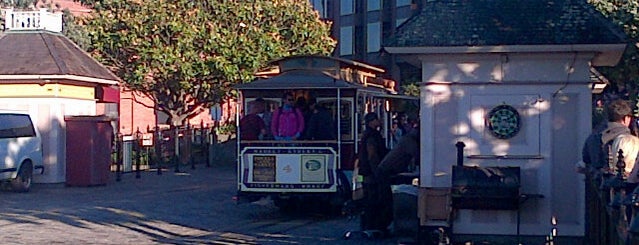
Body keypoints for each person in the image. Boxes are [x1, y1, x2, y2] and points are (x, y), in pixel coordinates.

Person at [357, 112, 391, 236]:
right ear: (372, 121)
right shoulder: (372, 136)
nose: (380, 121)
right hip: (371, 173)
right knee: (375, 199)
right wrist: (377, 171)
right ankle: (374, 226)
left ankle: (371, 226)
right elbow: (372, 155)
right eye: (377, 119)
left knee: (371, 200)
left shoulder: (368, 135)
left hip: (367, 171)